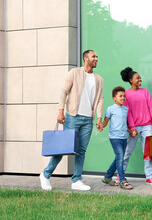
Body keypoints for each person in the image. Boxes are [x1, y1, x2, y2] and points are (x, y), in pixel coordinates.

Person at [39, 50, 104, 191]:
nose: (96, 59)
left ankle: (76, 180)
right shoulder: (74, 73)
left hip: (88, 119)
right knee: (63, 149)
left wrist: (99, 117)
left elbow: (100, 99)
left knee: (81, 151)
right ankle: (45, 174)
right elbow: (63, 91)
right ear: (85, 58)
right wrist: (61, 111)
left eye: (97, 57)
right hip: (73, 117)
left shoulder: (99, 79)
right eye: (94, 56)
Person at [120, 67, 152, 185]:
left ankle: (149, 177)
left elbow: (151, 108)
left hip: (147, 125)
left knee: (147, 152)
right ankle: (120, 175)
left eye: (140, 78)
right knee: (127, 151)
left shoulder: (145, 91)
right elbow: (128, 113)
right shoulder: (126, 94)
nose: (140, 79)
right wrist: (132, 128)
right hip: (134, 127)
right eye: (137, 78)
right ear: (131, 80)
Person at [101, 86, 136, 190]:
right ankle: (122, 180)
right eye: (120, 96)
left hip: (124, 137)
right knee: (120, 157)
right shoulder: (110, 109)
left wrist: (131, 131)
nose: (123, 98)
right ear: (114, 98)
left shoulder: (126, 109)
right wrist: (101, 125)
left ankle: (107, 177)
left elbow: (126, 124)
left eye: (124, 96)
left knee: (118, 158)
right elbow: (106, 121)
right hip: (115, 138)